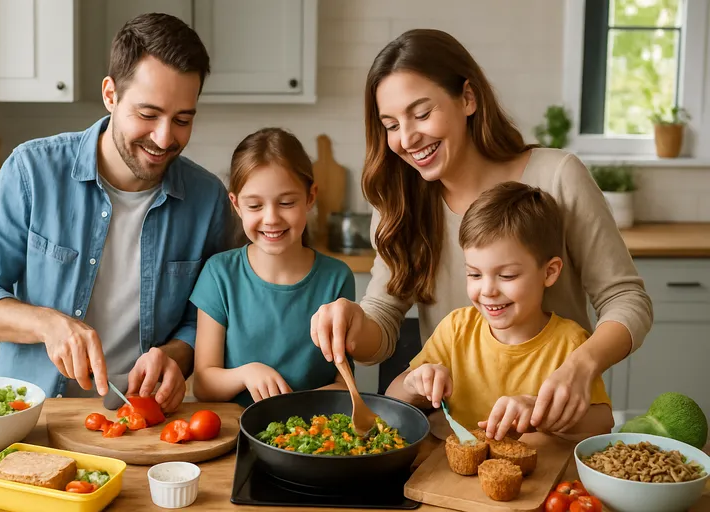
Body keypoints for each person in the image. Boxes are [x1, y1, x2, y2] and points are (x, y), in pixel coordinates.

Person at [310, 28, 652, 433]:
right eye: (391, 124)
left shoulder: (557, 177)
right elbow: (382, 322)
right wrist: (352, 322)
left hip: (551, 437)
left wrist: (582, 365)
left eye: (421, 114)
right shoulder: (399, 203)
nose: (406, 138)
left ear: (468, 99)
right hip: (453, 444)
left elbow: (626, 298)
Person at [0, 13, 232, 412]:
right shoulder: (33, 171)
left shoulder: (208, 200)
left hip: (146, 424)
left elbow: (209, 314)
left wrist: (177, 354)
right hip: (38, 420)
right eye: (148, 115)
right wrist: (47, 324)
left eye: (182, 120)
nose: (165, 138)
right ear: (110, 95)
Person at [385, 182, 615, 441]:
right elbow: (393, 399)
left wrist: (539, 415)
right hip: (448, 475)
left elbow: (603, 421)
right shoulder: (456, 329)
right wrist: (414, 384)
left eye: (506, 275)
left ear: (549, 272)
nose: (488, 290)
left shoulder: (570, 342)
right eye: (474, 274)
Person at [190, 128, 355, 406]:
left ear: (310, 197)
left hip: (309, 434)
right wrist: (245, 374)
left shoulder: (336, 278)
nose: (271, 218)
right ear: (236, 205)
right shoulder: (219, 274)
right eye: (254, 205)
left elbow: (343, 383)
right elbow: (203, 384)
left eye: (287, 203)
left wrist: (294, 406)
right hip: (237, 434)